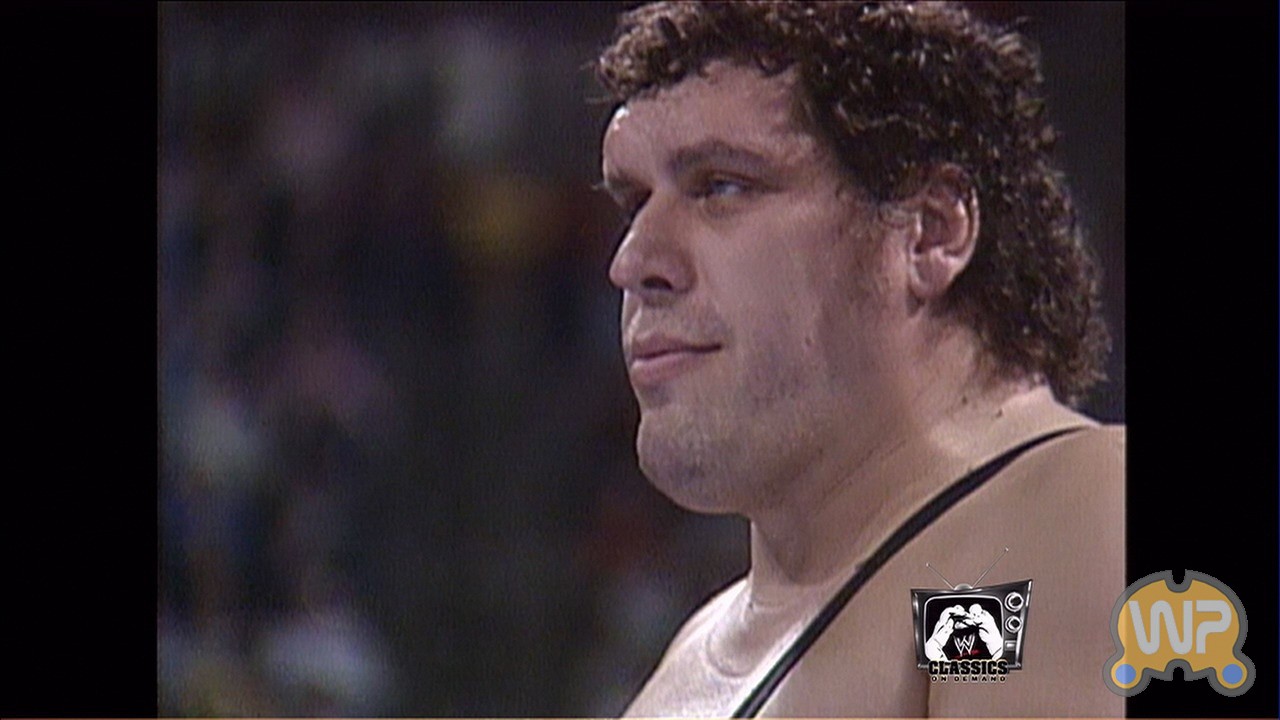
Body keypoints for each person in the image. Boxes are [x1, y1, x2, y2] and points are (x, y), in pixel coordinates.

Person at [593, 1, 1124, 717]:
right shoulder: (697, 651)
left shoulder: (1045, 532)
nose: (633, 261)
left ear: (930, 233)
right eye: (633, 201)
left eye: (721, 186)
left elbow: (987, 637)